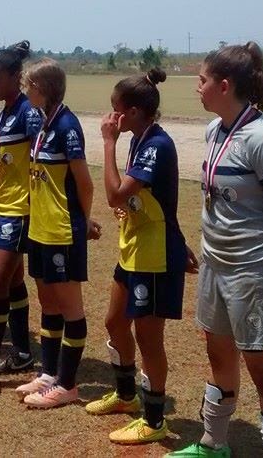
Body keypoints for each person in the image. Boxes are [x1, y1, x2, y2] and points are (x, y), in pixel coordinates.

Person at [169, 42, 263, 458]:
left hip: (253, 271)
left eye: (203, 79)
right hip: (216, 265)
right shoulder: (216, 130)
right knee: (218, 356)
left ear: (225, 85)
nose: (197, 87)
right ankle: (214, 443)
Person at [88, 68, 196, 444]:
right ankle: (125, 395)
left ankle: (153, 420)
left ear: (133, 112)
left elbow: (115, 194)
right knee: (114, 321)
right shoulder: (141, 139)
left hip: (154, 257)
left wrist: (106, 143)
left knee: (150, 339)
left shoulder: (156, 146)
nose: (111, 118)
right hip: (135, 249)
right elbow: (151, 199)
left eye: (115, 110)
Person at [17, 58, 101, 409]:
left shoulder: (67, 125)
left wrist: (82, 222)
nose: (25, 90)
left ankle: (67, 384)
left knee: (70, 309)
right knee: (49, 304)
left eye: (28, 85)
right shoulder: (42, 122)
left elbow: (84, 184)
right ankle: (49, 373)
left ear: (43, 88)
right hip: (40, 228)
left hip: (62, 231)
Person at [0, 41, 39, 399]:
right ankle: (22, 353)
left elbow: (41, 161)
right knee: (13, 281)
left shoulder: (28, 114)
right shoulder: (2, 115)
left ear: (17, 78)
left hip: (18, 210)